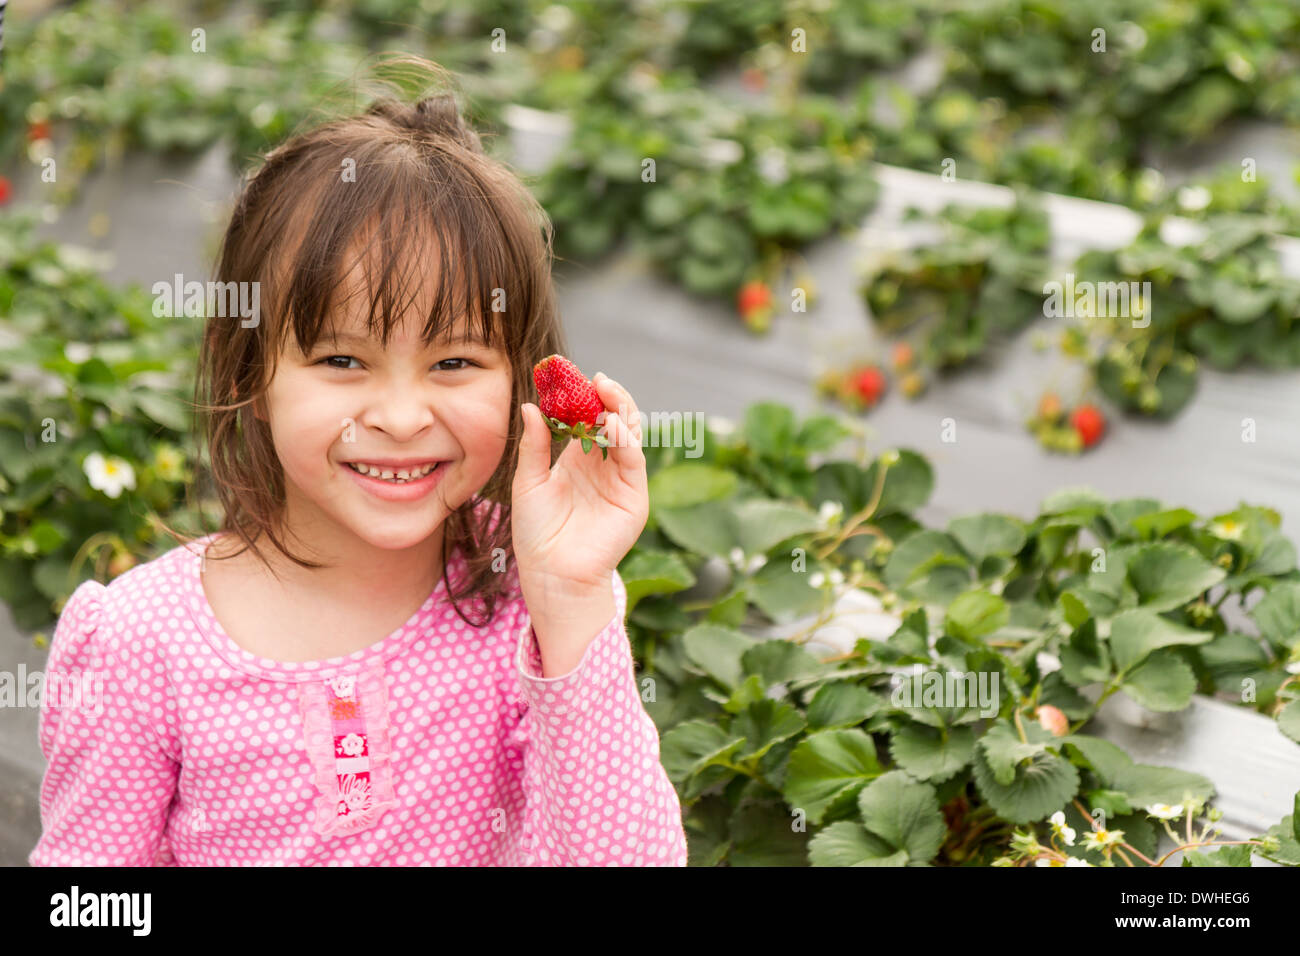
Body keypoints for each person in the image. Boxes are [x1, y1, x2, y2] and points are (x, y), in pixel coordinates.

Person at [28, 56, 687, 866]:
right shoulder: (142, 644)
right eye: (341, 361)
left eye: (455, 364)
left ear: (524, 377)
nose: (402, 418)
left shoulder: (528, 606)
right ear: (251, 372)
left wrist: (574, 595)